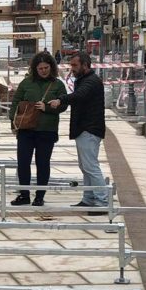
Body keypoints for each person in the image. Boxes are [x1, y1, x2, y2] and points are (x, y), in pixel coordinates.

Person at [48, 53, 108, 213]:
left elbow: (79, 96)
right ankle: (88, 199)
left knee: (91, 167)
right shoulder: (84, 80)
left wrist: (60, 99)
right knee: (85, 166)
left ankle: (102, 202)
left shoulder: (91, 81)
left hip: (89, 129)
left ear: (85, 65)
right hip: (84, 128)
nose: (71, 69)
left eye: (74, 65)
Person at [9, 52, 67, 207]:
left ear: (51, 67)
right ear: (35, 69)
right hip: (26, 129)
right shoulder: (26, 83)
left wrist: (47, 107)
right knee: (23, 163)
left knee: (42, 163)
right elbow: (15, 101)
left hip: (46, 130)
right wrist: (13, 122)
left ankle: (40, 196)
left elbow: (63, 104)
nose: (43, 70)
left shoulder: (58, 85)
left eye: (46, 67)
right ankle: (24, 194)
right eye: (40, 68)